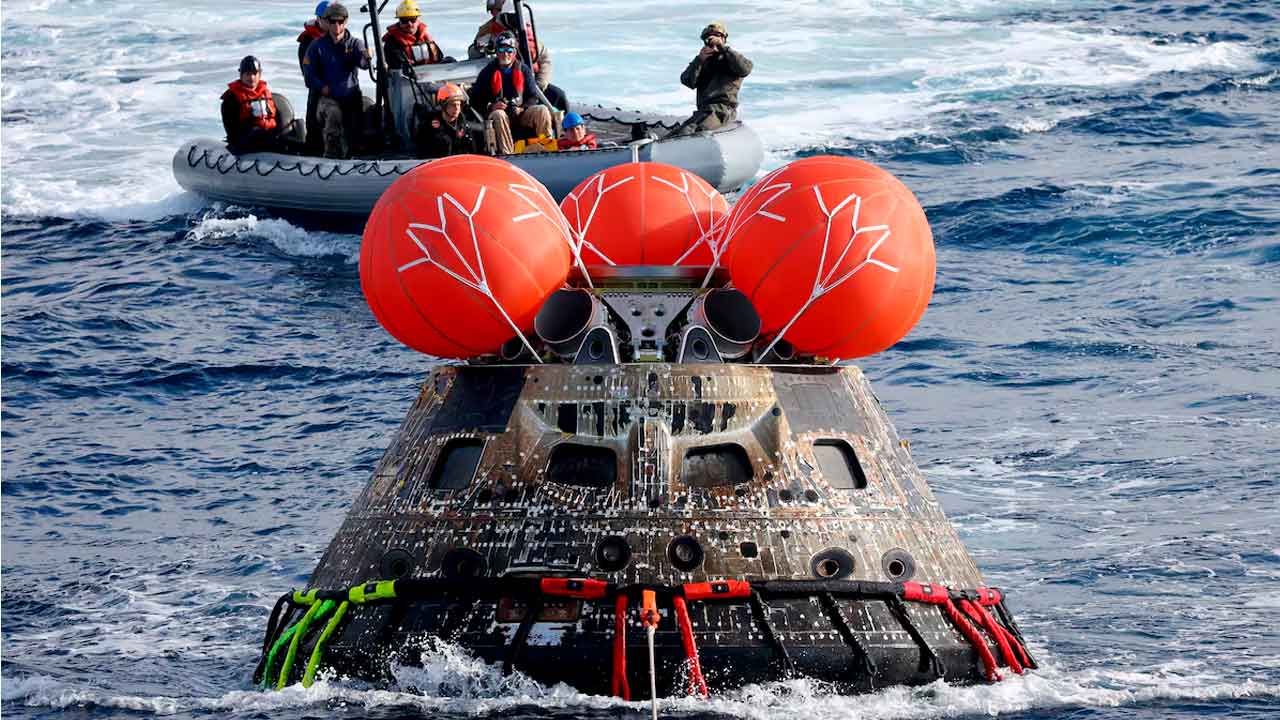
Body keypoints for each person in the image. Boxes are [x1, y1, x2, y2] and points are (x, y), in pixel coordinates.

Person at [468, 0, 569, 111]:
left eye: (497, 10)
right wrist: (481, 46)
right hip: (501, 83)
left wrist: (539, 84)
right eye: (493, 10)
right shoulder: (488, 30)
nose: (494, 13)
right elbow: (474, 55)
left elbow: (544, 59)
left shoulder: (527, 32)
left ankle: (564, 121)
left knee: (559, 96)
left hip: (530, 82)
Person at [303, 2, 373, 158]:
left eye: (340, 21)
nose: (336, 25)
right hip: (327, 99)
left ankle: (355, 154)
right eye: (332, 21)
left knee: (357, 126)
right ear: (327, 22)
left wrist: (367, 57)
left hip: (351, 97)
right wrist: (322, 87)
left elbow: (363, 63)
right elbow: (309, 75)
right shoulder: (316, 46)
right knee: (333, 114)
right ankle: (331, 155)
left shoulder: (355, 44)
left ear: (345, 21)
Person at [470, 32, 553, 155]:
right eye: (502, 49)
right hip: (499, 115)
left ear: (514, 52)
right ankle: (508, 154)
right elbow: (474, 99)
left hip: (520, 112)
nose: (505, 54)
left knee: (542, 110)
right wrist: (491, 106)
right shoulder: (487, 72)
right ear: (496, 51)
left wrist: (522, 108)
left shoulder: (524, 70)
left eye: (509, 50)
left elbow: (533, 96)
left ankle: (547, 148)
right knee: (499, 114)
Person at [669, 21, 752, 137]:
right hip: (703, 111)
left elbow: (745, 69)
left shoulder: (731, 59)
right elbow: (687, 81)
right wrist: (699, 60)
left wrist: (723, 48)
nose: (713, 42)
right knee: (676, 134)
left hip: (722, 111)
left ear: (723, 39)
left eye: (717, 36)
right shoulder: (704, 62)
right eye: (708, 39)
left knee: (698, 132)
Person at [221, 56, 298, 154]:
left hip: (269, 134)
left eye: (254, 73)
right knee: (263, 135)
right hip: (247, 140)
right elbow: (232, 130)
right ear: (241, 75)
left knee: (299, 125)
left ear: (260, 74)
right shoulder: (231, 98)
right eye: (248, 74)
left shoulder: (265, 93)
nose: (251, 78)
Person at [416, 83, 483, 158]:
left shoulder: (463, 123)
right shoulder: (428, 127)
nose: (457, 108)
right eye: (453, 104)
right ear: (443, 105)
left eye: (459, 104)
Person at [298, 2, 330, 155]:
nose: (333, 23)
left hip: (341, 89)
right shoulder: (308, 41)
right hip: (320, 90)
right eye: (328, 19)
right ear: (319, 19)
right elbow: (308, 73)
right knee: (316, 126)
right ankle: (314, 153)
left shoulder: (342, 37)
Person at [382, 0, 443, 68]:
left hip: (432, 72)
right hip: (408, 74)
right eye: (404, 21)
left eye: (412, 19)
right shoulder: (392, 43)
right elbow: (396, 67)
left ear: (418, 20)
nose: (409, 24)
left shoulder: (426, 38)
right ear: (399, 22)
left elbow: (439, 58)